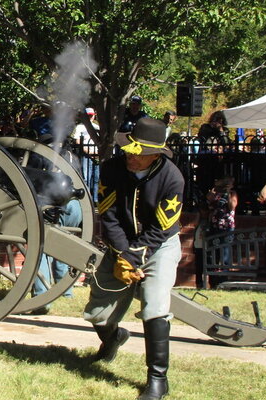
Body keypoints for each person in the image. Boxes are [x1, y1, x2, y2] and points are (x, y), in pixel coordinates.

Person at [83, 118, 184, 400]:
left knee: (154, 306)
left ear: (155, 155)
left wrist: (135, 258)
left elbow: (160, 229)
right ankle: (113, 337)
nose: (130, 157)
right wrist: (122, 255)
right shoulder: (112, 169)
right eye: (129, 151)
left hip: (160, 246)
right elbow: (109, 215)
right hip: (120, 244)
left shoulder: (172, 178)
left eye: (138, 154)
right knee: (97, 311)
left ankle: (157, 380)